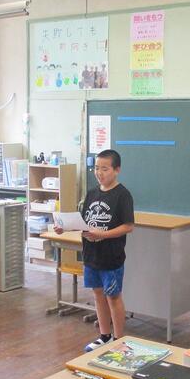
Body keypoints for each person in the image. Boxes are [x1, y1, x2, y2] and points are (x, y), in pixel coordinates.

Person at [54, 149, 134, 351]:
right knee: (98, 294)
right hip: (91, 255)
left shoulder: (123, 195)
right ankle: (104, 336)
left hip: (111, 256)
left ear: (117, 170)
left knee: (113, 296)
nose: (99, 173)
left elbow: (128, 226)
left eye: (105, 169)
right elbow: (84, 222)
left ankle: (118, 340)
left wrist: (103, 235)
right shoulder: (91, 193)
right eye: (96, 168)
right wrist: (64, 227)